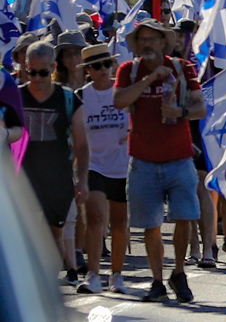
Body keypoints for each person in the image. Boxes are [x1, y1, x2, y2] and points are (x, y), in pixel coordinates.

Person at [113, 19, 205, 304]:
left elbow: (201, 108)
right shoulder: (129, 71)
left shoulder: (182, 68)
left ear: (163, 42)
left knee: (185, 217)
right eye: (142, 40)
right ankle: (156, 280)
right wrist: (150, 79)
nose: (147, 44)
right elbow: (119, 101)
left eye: (153, 39)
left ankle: (178, 272)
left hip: (179, 158)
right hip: (143, 160)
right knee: (150, 225)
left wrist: (179, 112)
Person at [19, 41, 89, 286]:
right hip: (23, 177)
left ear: (53, 68)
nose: (37, 78)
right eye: (32, 72)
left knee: (54, 233)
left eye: (43, 72)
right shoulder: (15, 97)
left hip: (58, 177)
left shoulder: (68, 99)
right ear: (25, 68)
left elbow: (82, 144)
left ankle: (48, 283)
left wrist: (82, 181)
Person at [77, 44, 129, 295]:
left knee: (120, 223)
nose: (103, 70)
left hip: (122, 165)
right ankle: (93, 273)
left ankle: (116, 275)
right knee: (96, 218)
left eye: (106, 65)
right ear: (88, 70)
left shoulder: (122, 93)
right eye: (96, 66)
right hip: (93, 165)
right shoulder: (80, 96)